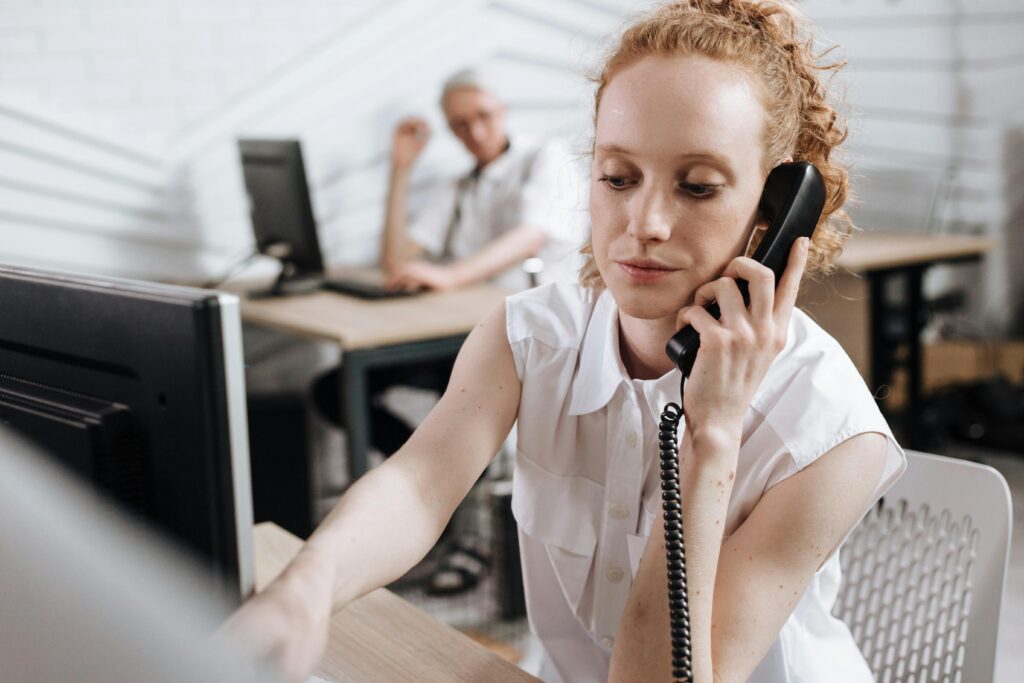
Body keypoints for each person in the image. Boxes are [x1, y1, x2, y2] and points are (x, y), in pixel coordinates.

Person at [226, 2, 906, 681]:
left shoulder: (830, 434)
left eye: (697, 187)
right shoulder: (530, 334)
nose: (644, 222)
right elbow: (420, 482)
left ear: (775, 212)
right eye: (618, 177)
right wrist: (303, 590)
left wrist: (711, 439)